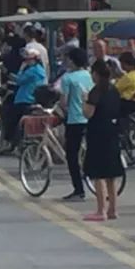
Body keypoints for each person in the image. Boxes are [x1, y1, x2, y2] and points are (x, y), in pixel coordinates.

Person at [83, 60, 124, 223]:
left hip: (97, 134)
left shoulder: (95, 91)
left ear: (96, 74)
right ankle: (113, 209)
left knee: (98, 173)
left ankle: (101, 210)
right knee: (111, 174)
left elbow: (88, 114)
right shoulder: (114, 90)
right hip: (112, 132)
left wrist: (84, 100)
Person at [59, 48, 94, 201]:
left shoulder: (68, 78)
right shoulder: (88, 75)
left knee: (71, 155)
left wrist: (62, 110)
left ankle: (78, 189)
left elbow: (64, 102)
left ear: (72, 60)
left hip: (75, 120)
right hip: (89, 117)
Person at [0, 49, 46, 155]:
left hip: (24, 100)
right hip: (31, 99)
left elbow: (19, 80)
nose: (26, 61)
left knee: (11, 121)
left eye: (28, 60)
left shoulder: (32, 70)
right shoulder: (40, 70)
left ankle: (10, 142)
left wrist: (12, 71)